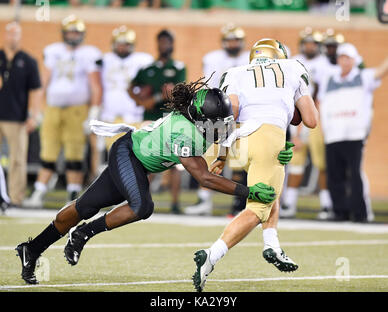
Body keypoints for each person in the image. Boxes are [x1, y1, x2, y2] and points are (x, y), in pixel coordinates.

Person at [15, 78, 279, 285]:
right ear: (202, 119)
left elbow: (232, 136)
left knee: (84, 207)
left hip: (136, 162)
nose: (223, 125)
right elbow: (204, 177)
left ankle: (32, 248)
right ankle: (84, 233)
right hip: (128, 153)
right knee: (142, 206)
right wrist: (248, 191)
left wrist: (275, 148)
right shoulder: (183, 132)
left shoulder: (201, 119)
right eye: (218, 122)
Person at [192, 38, 319, 292]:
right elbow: (311, 120)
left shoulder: (235, 71)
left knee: (271, 185)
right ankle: (212, 255)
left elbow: (231, 111)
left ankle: (272, 244)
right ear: (278, 55)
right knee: (260, 205)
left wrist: (223, 155)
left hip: (239, 142)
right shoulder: (293, 67)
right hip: (267, 137)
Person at [23, 15, 102, 208]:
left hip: (77, 110)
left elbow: (95, 86)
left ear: (82, 34)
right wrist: (37, 109)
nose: (73, 35)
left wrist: (93, 111)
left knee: (74, 153)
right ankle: (39, 192)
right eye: (70, 31)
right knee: (48, 151)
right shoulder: (53, 51)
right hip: (52, 109)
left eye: (76, 32)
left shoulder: (89, 53)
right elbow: (44, 82)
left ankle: (72, 194)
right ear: (64, 33)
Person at [318, 43, 388, 222]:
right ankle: (339, 212)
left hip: (355, 134)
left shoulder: (363, 76)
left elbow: (381, 71)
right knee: (335, 175)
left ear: (355, 60)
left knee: (355, 174)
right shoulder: (329, 78)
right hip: (333, 134)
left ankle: (360, 213)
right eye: (341, 57)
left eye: (348, 57)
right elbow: (320, 102)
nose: (344, 61)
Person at [184, 23, 250, 216]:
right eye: (229, 40)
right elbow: (208, 88)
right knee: (210, 158)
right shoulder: (213, 59)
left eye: (236, 40)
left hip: (240, 114)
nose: (232, 44)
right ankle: (204, 201)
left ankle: (238, 205)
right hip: (217, 116)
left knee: (239, 160)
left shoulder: (248, 60)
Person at [129, 29, 186, 214]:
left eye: (167, 42)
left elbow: (173, 93)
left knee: (177, 163)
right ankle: (142, 200)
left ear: (173, 44)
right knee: (147, 162)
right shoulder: (148, 68)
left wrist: (151, 99)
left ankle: (175, 203)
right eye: (162, 42)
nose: (165, 46)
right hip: (150, 118)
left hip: (172, 118)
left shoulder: (178, 67)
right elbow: (131, 87)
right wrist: (140, 100)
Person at [281, 27, 332, 220]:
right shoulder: (293, 62)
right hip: (296, 117)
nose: (310, 47)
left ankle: (326, 205)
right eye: (307, 43)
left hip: (317, 118)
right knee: (295, 163)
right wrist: (295, 129)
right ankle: (290, 203)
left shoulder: (325, 64)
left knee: (322, 163)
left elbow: (321, 95)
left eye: (313, 43)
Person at [0, 22, 42, 207]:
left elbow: (37, 90)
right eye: (10, 33)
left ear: (20, 36)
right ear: (5, 35)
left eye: (16, 34)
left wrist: (34, 115)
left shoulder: (28, 61)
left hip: (17, 118)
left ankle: (15, 198)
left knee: (18, 159)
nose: (13, 37)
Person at [99, 25, 153, 151]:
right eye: (119, 44)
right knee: (113, 155)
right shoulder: (105, 60)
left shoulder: (143, 60)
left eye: (125, 44)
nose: (122, 47)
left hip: (134, 117)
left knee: (135, 155)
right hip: (111, 118)